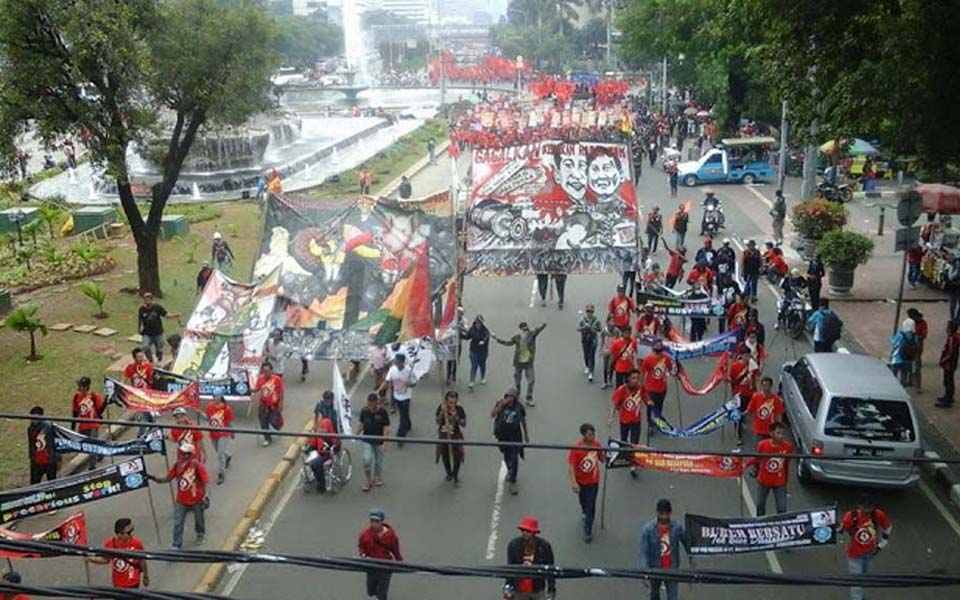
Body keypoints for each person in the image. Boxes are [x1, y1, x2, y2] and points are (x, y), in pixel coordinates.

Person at [148, 442, 208, 548]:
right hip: (181, 500)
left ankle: (200, 534)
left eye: (186, 453)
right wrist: (153, 478)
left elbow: (205, 481)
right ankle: (176, 544)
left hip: (196, 499)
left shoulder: (197, 465)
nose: (183, 456)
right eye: (182, 453)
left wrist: (205, 497)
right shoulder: (177, 465)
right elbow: (168, 478)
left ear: (190, 454)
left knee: (199, 520)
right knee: (178, 523)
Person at [638, 499, 692, 600]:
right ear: (657, 512)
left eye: (666, 514)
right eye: (661, 514)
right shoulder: (648, 530)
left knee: (672, 597)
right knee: (654, 595)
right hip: (655, 569)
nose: (664, 517)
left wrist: (692, 555)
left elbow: (687, 542)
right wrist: (644, 573)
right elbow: (643, 553)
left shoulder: (677, 527)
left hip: (672, 569)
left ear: (670, 513)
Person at [841, 494, 892, 600]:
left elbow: (887, 527)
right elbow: (842, 530)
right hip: (854, 555)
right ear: (859, 505)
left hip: (870, 553)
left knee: (865, 577)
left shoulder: (878, 514)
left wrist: (882, 544)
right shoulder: (851, 516)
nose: (867, 509)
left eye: (870, 507)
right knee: (856, 582)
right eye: (865, 506)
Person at [85, 518, 149, 589]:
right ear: (119, 534)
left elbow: (142, 561)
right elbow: (106, 560)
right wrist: (91, 559)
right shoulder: (110, 544)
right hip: (118, 583)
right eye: (128, 533)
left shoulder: (137, 543)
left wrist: (145, 576)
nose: (131, 535)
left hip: (133, 581)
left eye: (131, 531)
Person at [493, 322, 547, 406]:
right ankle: (517, 394)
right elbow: (508, 343)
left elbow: (538, 329)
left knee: (531, 381)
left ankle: (529, 397)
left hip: (528, 362)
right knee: (517, 381)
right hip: (518, 363)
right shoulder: (517, 337)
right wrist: (497, 339)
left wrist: (544, 324)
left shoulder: (532, 334)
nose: (525, 331)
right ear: (521, 330)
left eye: (526, 328)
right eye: (523, 329)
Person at [504, 517, 556, 600]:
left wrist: (551, 589)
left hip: (537, 588)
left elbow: (550, 570)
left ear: (534, 532)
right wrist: (508, 586)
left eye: (528, 531)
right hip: (519, 589)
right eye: (523, 530)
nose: (525, 533)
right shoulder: (514, 545)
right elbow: (510, 567)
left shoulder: (544, 546)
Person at [358, 508, 403, 600]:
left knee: (382, 591)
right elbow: (361, 546)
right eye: (372, 521)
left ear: (382, 521)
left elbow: (395, 550)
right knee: (370, 588)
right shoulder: (365, 534)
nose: (374, 524)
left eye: (377, 521)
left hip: (385, 566)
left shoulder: (391, 536)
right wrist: (363, 555)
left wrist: (400, 562)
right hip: (371, 565)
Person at [567, 423, 602, 542]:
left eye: (593, 434)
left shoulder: (597, 445)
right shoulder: (577, 448)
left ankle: (588, 529)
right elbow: (571, 466)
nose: (592, 437)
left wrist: (608, 455)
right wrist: (573, 483)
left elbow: (602, 458)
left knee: (591, 504)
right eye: (589, 434)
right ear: (583, 435)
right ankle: (584, 512)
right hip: (580, 480)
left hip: (593, 481)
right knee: (583, 501)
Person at [750, 421, 792, 516]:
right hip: (764, 480)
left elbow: (787, 463)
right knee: (760, 504)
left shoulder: (788, 447)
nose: (781, 436)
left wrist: (785, 479)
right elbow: (756, 459)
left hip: (779, 482)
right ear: (771, 433)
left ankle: (781, 526)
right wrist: (749, 466)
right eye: (778, 433)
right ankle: (761, 523)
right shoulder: (762, 445)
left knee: (782, 508)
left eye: (782, 433)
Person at [492, 389, 528, 496]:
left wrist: (526, 434)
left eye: (512, 396)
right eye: (507, 396)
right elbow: (492, 414)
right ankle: (509, 469)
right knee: (506, 455)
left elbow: (523, 421)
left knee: (514, 457)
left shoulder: (519, 407)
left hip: (515, 436)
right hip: (502, 435)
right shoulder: (500, 404)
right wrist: (500, 406)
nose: (509, 398)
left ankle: (513, 480)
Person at [608, 369, 643, 476]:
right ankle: (625, 455)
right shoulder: (621, 390)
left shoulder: (641, 388)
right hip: (624, 420)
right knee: (624, 440)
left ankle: (632, 464)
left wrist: (650, 402)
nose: (636, 380)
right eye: (633, 378)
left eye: (637, 378)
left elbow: (646, 398)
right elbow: (614, 404)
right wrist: (611, 417)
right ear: (628, 379)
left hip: (636, 420)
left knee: (634, 442)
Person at [356, 393, 390, 493]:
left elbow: (386, 427)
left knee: (378, 461)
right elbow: (361, 424)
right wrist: (356, 434)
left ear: (377, 403)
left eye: (372, 405)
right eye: (369, 405)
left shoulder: (383, 412)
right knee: (366, 460)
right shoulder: (364, 411)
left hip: (379, 440)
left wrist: (385, 441)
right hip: (367, 439)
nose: (370, 407)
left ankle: (377, 476)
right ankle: (368, 479)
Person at [379, 353, 416, 442]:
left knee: (402, 415)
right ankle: (408, 425)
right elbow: (387, 381)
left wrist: (409, 384)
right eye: (396, 362)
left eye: (398, 362)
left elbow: (414, 383)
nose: (397, 364)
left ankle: (400, 436)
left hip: (406, 396)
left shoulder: (409, 371)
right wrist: (379, 390)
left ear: (402, 362)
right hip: (396, 396)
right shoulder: (392, 370)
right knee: (404, 414)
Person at [71, 376, 105, 469]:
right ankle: (100, 452)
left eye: (80, 385)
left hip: (93, 424)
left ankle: (92, 466)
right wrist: (72, 428)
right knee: (83, 444)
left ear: (86, 387)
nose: (78, 387)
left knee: (91, 446)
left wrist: (106, 401)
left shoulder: (94, 396)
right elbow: (75, 412)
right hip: (83, 426)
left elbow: (100, 410)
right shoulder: (77, 397)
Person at [640, 340, 673, 435]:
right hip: (651, 389)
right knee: (650, 408)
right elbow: (642, 373)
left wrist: (676, 373)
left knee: (659, 407)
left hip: (662, 388)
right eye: (657, 346)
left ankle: (658, 422)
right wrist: (642, 386)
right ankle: (650, 425)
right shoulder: (648, 359)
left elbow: (670, 369)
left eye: (660, 346)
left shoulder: (666, 358)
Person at [137, 292, 178, 364]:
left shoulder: (157, 307)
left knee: (159, 347)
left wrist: (174, 315)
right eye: (145, 299)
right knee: (145, 346)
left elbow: (166, 315)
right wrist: (139, 328)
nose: (147, 301)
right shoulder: (142, 309)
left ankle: (159, 358)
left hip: (158, 332)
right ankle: (150, 359)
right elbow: (140, 319)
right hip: (147, 333)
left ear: (151, 300)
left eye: (149, 299)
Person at [436, 390, 466, 485]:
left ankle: (455, 474)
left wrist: (456, 417)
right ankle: (448, 473)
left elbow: (464, 424)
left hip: (455, 435)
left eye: (454, 402)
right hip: (443, 435)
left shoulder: (459, 409)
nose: (452, 404)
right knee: (444, 455)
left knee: (457, 455)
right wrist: (442, 413)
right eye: (450, 402)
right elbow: (437, 422)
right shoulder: (441, 408)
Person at [253, 361, 284, 446]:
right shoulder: (260, 379)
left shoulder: (277, 379)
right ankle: (267, 438)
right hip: (263, 403)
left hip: (274, 404)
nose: (265, 373)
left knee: (274, 422)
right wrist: (252, 390)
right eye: (264, 371)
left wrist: (281, 403)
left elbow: (281, 392)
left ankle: (277, 427)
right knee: (263, 421)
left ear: (271, 371)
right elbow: (257, 388)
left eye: (267, 371)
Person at [205, 396, 234, 485]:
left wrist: (232, 432)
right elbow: (209, 418)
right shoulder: (209, 407)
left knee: (220, 455)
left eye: (217, 396)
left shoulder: (226, 408)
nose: (215, 398)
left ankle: (221, 474)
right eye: (214, 396)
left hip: (223, 433)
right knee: (219, 451)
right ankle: (227, 456)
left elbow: (229, 422)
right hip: (213, 433)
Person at [307, 416, 340, 493]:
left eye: (324, 428)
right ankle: (319, 480)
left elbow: (336, 445)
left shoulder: (332, 435)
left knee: (316, 464)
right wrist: (309, 449)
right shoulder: (319, 435)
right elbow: (313, 443)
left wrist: (333, 447)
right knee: (313, 464)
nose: (322, 429)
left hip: (328, 455)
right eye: (322, 427)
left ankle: (322, 483)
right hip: (320, 454)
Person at [728, 346, 754, 445]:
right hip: (739, 394)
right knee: (737, 413)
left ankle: (742, 424)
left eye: (748, 355)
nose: (747, 358)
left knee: (746, 413)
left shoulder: (752, 365)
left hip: (750, 393)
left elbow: (756, 377)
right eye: (745, 356)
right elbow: (732, 380)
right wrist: (734, 392)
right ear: (741, 356)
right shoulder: (735, 366)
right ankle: (738, 435)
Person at [27, 407, 59, 484]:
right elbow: (31, 444)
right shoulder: (30, 429)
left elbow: (56, 442)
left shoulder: (49, 427)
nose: (33, 420)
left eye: (35, 417)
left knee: (51, 483)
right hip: (37, 460)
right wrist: (32, 457)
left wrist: (58, 457)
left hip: (49, 460)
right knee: (34, 483)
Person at [461, 315, 490, 390]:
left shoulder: (485, 331)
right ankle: (472, 381)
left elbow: (486, 338)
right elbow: (467, 337)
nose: (478, 325)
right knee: (474, 366)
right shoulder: (472, 330)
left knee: (482, 365)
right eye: (477, 323)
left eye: (479, 323)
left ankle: (482, 377)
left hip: (483, 351)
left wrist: (483, 341)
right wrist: (461, 335)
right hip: (473, 351)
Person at [889, 319, 919, 386]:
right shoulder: (914, 336)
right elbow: (917, 345)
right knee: (904, 374)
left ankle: (892, 386)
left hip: (897, 358)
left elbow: (893, 343)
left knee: (893, 374)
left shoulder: (900, 334)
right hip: (908, 359)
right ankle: (903, 387)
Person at [577, 305, 602, 383]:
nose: (589, 313)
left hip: (593, 340)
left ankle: (591, 372)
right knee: (586, 354)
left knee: (592, 355)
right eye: (588, 312)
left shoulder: (596, 320)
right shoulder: (582, 320)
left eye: (591, 312)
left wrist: (594, 329)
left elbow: (600, 329)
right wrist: (584, 327)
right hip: (585, 339)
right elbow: (578, 328)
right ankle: (587, 366)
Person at [938, 320, 960, 408]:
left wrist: (943, 360)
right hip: (952, 362)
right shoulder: (955, 337)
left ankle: (948, 400)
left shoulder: (952, 338)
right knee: (949, 379)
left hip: (949, 363)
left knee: (948, 380)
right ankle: (948, 396)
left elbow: (950, 352)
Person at [907, 308, 928, 389]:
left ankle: (918, 385)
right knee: (909, 364)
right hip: (909, 346)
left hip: (917, 346)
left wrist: (916, 336)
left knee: (917, 366)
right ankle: (910, 381)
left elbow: (924, 335)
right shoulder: (910, 322)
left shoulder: (922, 323)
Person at [599, 316, 618, 390]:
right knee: (605, 366)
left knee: (612, 366)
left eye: (613, 321)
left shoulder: (617, 331)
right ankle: (605, 381)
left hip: (613, 351)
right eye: (610, 321)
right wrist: (601, 350)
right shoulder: (604, 331)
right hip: (606, 350)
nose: (612, 323)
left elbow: (618, 341)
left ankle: (610, 380)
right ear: (607, 322)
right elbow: (602, 341)